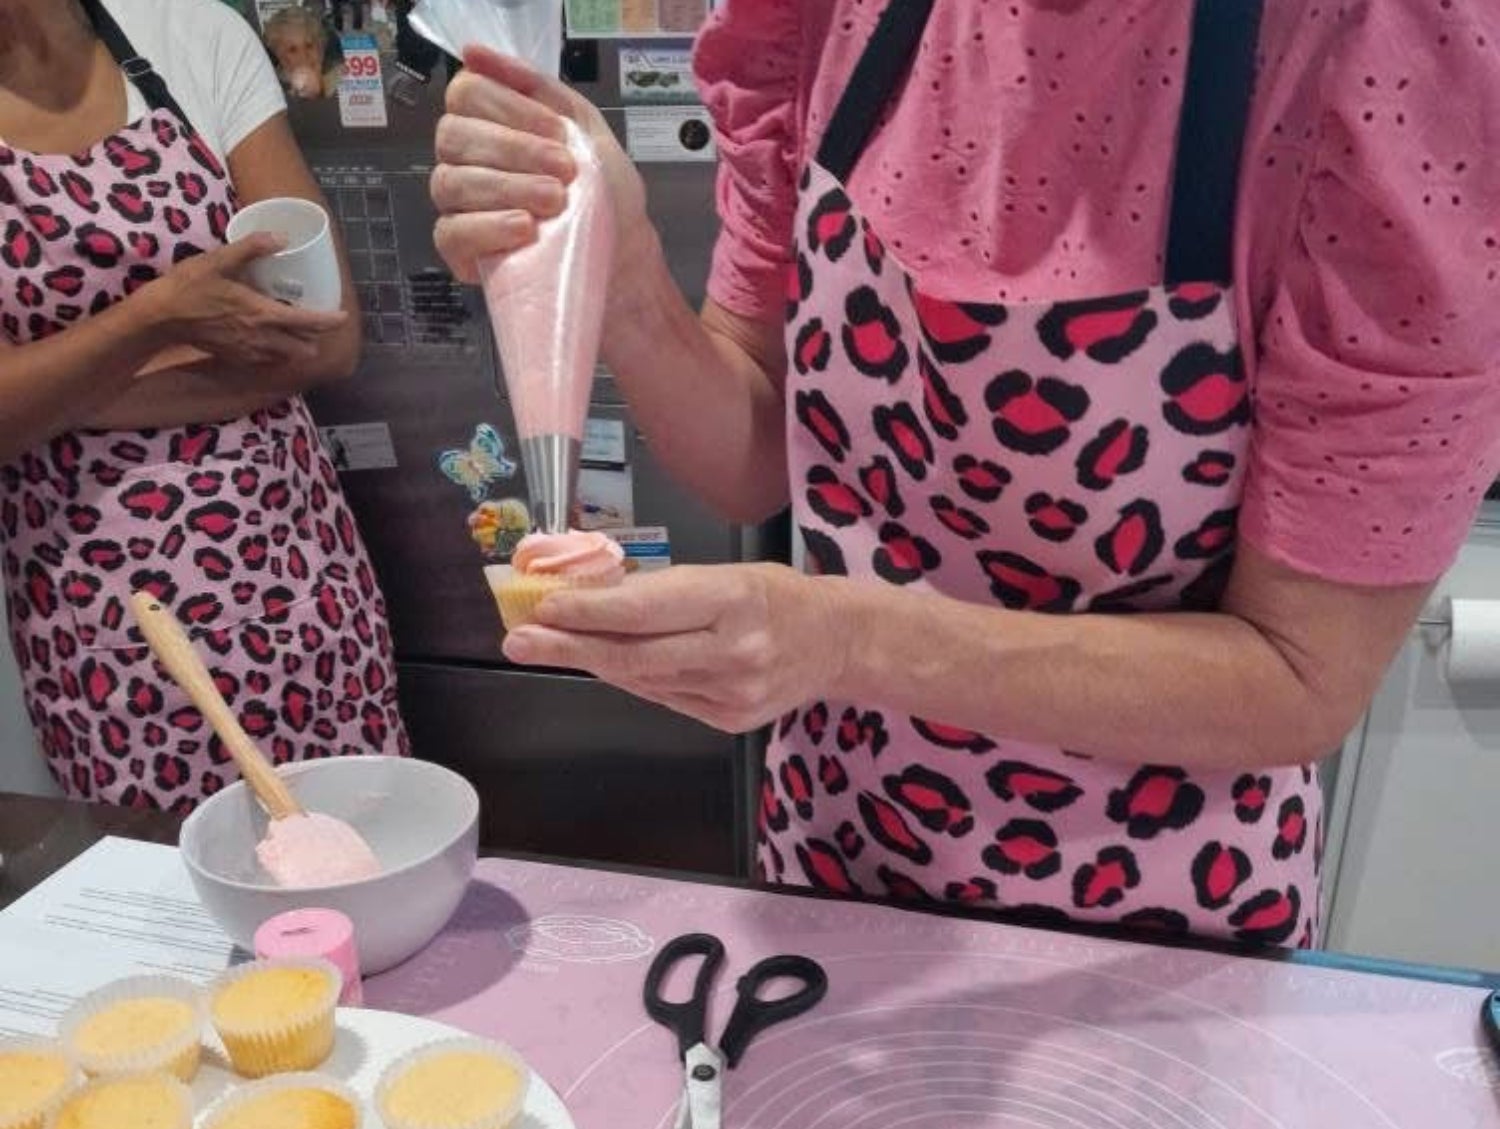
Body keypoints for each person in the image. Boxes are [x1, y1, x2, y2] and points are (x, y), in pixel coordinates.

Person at [431, 0, 1500, 945]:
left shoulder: (1379, 54)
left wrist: (847, 639)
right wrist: (621, 279)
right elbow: (759, 453)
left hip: (1159, 930)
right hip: (839, 862)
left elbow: (1300, 675)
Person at [0, 0, 408, 811]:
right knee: (166, 907)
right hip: (102, 629)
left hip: (297, 581)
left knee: (355, 859)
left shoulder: (189, 35)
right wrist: (160, 316)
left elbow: (325, 336)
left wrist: (52, 390)